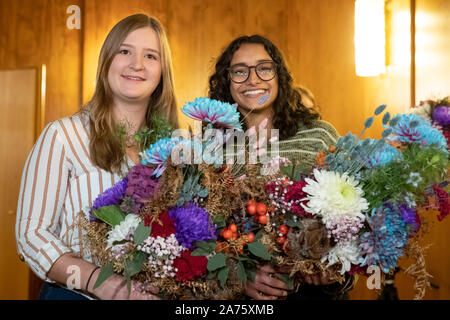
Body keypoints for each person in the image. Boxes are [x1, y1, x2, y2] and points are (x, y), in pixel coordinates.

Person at [15, 14, 178, 300]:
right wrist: (105, 284)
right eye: (124, 51)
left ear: (163, 71)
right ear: (106, 63)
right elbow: (31, 236)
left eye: (150, 56)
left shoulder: (176, 148)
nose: (137, 64)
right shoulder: (63, 136)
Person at [208, 35, 354, 300]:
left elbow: (354, 213)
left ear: (279, 76)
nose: (253, 79)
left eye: (264, 68)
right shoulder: (209, 148)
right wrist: (237, 277)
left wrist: (334, 264)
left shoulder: (319, 135)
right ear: (226, 81)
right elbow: (200, 237)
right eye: (239, 71)